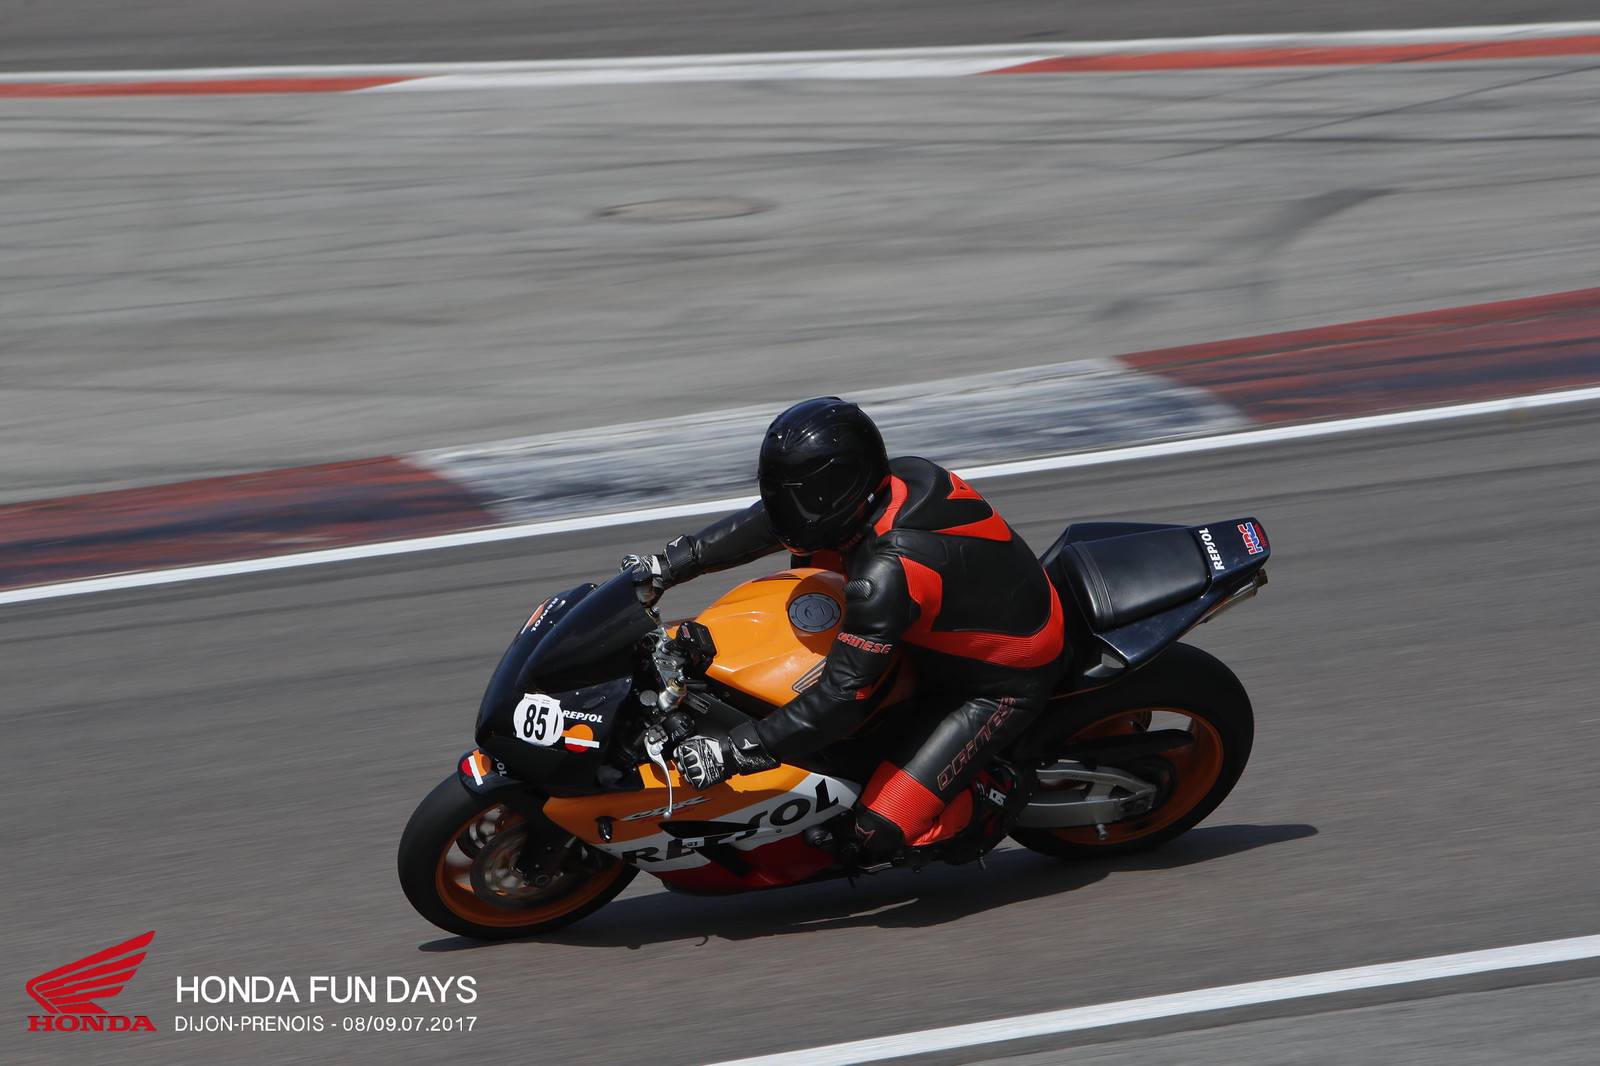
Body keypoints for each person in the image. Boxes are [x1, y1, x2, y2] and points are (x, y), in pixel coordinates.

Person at [623, 396, 1067, 863]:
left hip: (1000, 682)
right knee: (810, 560)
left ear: (841, 488)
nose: (786, 507)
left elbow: (839, 700)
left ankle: (995, 790)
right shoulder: (892, 480)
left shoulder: (884, 575)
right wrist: (668, 565)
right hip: (951, 613)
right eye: (781, 492)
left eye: (802, 496)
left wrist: (735, 751)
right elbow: (771, 522)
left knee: (876, 831)